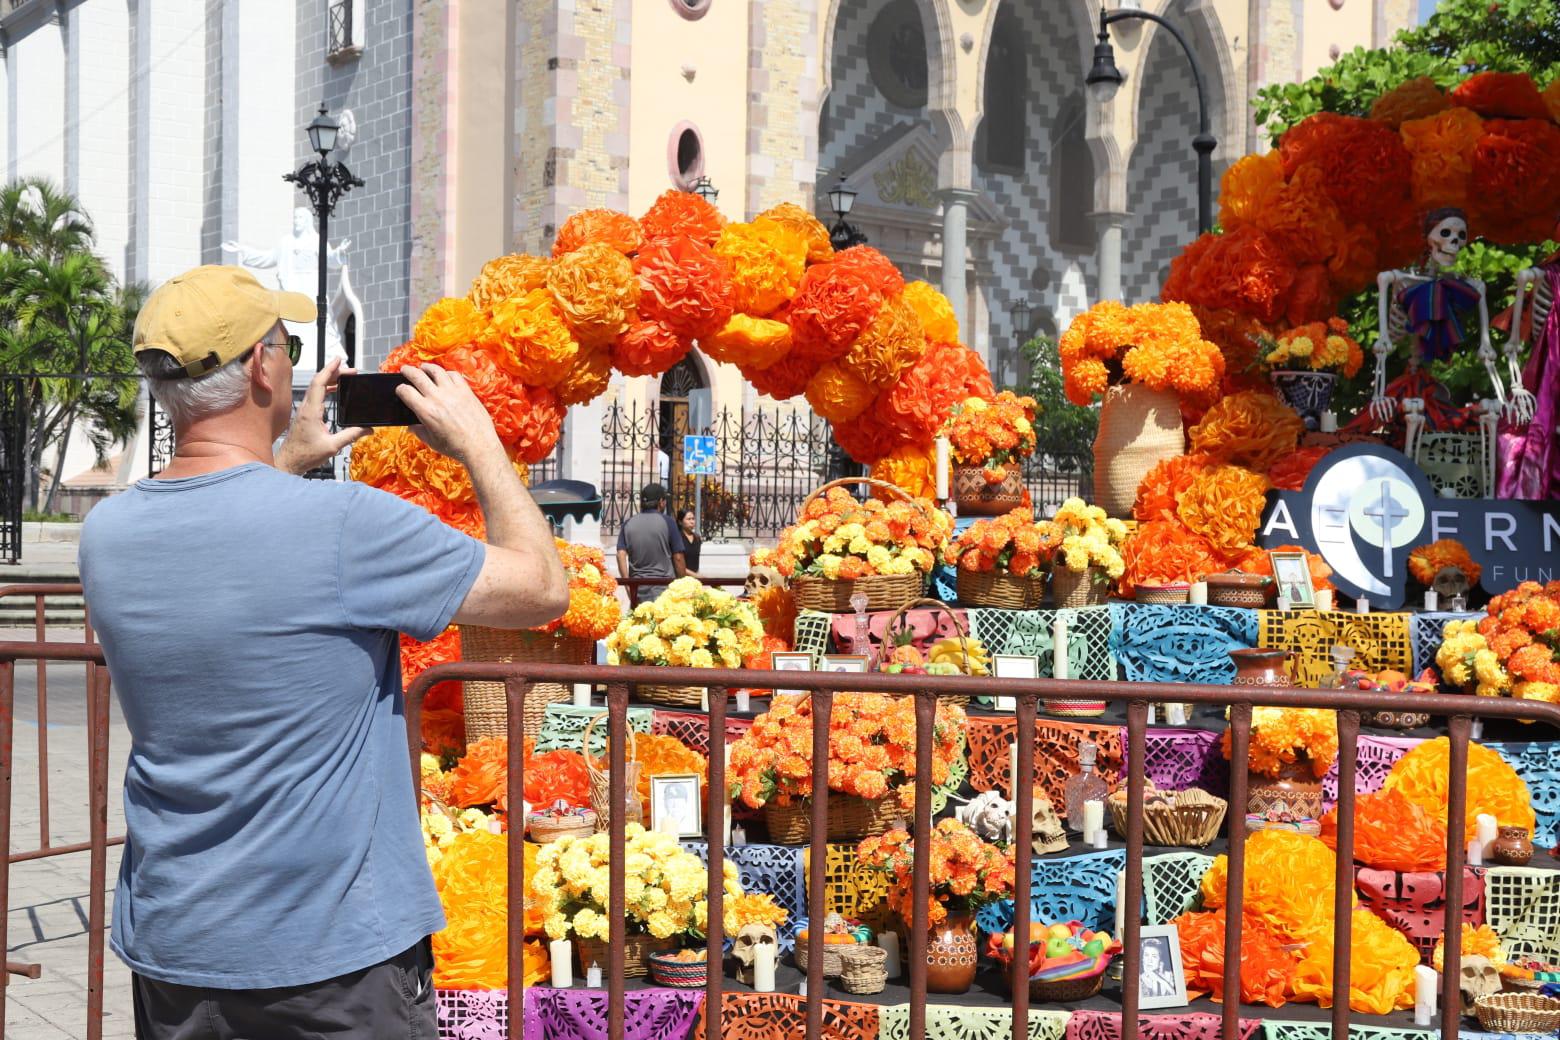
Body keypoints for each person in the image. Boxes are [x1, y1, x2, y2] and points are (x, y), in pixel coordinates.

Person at [78, 265, 569, 1039]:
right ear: (263, 366)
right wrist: (480, 444)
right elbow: (541, 587)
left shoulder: (107, 535)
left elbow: (228, 544)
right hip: (328, 960)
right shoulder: (344, 524)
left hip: (176, 943)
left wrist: (285, 459)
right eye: (289, 346)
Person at [616, 483, 687, 601]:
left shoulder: (628, 523)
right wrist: (683, 585)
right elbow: (678, 558)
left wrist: (628, 585)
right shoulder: (668, 522)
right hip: (663, 589)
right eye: (665, 500)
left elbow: (620, 555)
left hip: (637, 589)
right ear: (661, 502)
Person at [678, 507, 703, 577]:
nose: (692, 522)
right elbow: (678, 563)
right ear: (680, 522)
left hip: (694, 578)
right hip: (681, 577)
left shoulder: (697, 538)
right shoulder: (677, 538)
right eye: (688, 519)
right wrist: (696, 576)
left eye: (693, 519)